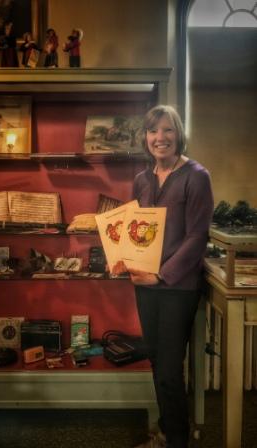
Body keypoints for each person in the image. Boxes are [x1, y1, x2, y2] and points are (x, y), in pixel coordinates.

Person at [113, 105, 214, 448]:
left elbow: (197, 237)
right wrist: (122, 259)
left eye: (168, 130)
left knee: (171, 369)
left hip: (178, 287)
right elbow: (134, 230)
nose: (161, 138)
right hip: (145, 285)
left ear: (179, 134)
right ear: (146, 137)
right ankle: (168, 430)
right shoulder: (142, 180)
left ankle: (177, 441)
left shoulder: (197, 176)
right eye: (154, 131)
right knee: (157, 360)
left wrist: (161, 275)